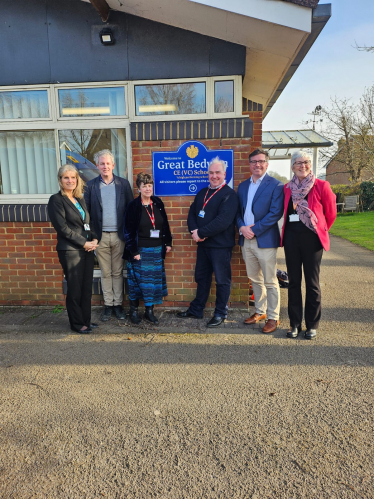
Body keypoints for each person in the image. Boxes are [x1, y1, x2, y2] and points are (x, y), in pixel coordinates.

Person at [281, 151, 337, 340]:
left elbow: (330, 214)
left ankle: (312, 324)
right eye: (298, 162)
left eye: (306, 162)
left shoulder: (322, 185)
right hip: (291, 239)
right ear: (292, 166)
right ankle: (294, 324)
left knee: (312, 283)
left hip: (312, 241)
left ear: (310, 165)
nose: (302, 165)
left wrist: (320, 229)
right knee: (294, 282)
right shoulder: (287, 188)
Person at [177, 157, 238, 328]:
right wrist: (194, 232)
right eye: (211, 173)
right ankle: (196, 310)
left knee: (222, 280)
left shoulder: (229, 195)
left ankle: (220, 313)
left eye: (217, 172)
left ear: (224, 174)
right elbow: (192, 214)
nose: (214, 176)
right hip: (203, 245)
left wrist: (201, 233)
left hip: (220, 246)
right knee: (202, 278)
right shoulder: (202, 192)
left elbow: (223, 221)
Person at [236, 148, 284, 334]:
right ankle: (260, 311)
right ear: (249, 165)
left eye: (261, 161)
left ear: (267, 163)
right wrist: (242, 227)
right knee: (255, 279)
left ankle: (273, 317)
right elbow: (238, 213)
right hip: (245, 239)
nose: (257, 164)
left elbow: (275, 213)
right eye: (254, 161)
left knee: (270, 280)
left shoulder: (276, 185)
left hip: (264, 240)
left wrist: (253, 230)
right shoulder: (243, 186)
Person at [48, 164, 99, 334]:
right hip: (70, 251)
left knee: (86, 288)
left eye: (73, 177)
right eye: (66, 178)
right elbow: (63, 228)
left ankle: (86, 320)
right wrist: (84, 243)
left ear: (78, 180)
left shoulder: (79, 199)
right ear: (60, 180)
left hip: (86, 249)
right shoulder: (56, 200)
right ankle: (77, 323)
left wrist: (94, 238)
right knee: (75, 288)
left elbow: (86, 224)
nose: (70, 181)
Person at [84, 149, 133, 322]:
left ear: (113, 165)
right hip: (100, 237)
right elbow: (87, 213)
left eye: (108, 163)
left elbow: (130, 210)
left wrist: (128, 235)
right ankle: (108, 305)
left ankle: (118, 305)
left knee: (118, 272)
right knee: (106, 273)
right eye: (101, 163)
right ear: (97, 165)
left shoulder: (123, 184)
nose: (105, 166)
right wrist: (91, 236)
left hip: (119, 236)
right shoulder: (90, 186)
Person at [123, 172, 172, 325]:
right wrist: (134, 251)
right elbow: (127, 231)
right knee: (137, 283)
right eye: (144, 186)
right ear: (139, 188)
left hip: (156, 250)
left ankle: (149, 312)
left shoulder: (157, 202)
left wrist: (168, 242)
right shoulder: (133, 206)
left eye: (150, 186)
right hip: (140, 251)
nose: (148, 189)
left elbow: (165, 225)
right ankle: (133, 311)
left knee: (153, 284)